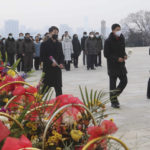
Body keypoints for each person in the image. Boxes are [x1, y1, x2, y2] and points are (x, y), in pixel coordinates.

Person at [104, 24, 128, 108]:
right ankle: (114, 102)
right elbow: (106, 54)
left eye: (120, 29)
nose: (119, 31)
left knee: (124, 81)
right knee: (112, 85)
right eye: (117, 29)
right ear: (113, 30)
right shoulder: (108, 41)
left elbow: (123, 50)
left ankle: (114, 95)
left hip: (121, 65)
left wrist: (125, 55)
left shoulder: (122, 38)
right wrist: (117, 58)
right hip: (112, 65)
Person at [40, 26, 64, 97]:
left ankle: (59, 105)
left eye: (57, 32)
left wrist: (61, 63)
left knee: (58, 89)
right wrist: (50, 63)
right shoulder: (44, 44)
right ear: (50, 33)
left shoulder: (59, 44)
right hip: (48, 70)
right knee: (44, 90)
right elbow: (42, 57)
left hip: (57, 70)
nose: (56, 34)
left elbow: (62, 56)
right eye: (54, 32)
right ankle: (37, 103)